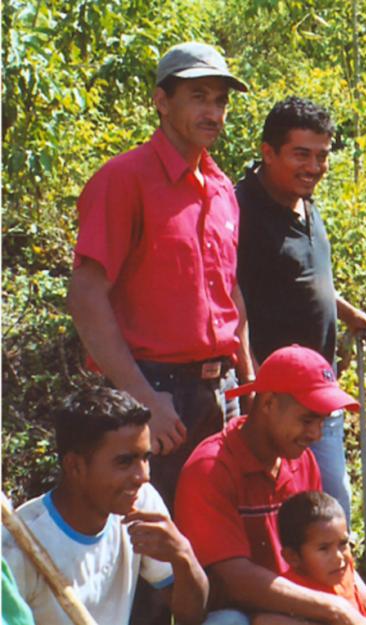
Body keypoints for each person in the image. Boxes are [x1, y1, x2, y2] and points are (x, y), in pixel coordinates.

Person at [66, 41, 254, 513]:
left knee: (211, 532)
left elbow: (229, 291)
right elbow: (87, 296)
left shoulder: (221, 188)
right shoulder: (124, 179)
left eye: (221, 100)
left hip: (220, 388)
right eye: (199, 97)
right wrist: (144, 397)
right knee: (146, 541)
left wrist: (247, 384)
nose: (213, 111)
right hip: (153, 389)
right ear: (161, 101)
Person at [235, 97, 366, 521]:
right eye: (301, 154)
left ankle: (335, 587)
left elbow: (300, 278)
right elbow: (231, 301)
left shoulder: (305, 202)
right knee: (299, 514)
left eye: (321, 156)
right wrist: (252, 382)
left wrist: (350, 314)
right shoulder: (241, 211)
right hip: (276, 402)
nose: (313, 167)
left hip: (321, 390)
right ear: (268, 152)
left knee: (330, 507)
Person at [174, 345, 366, 625]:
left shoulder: (302, 459)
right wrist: (334, 609)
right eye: (307, 419)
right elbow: (235, 581)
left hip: (298, 603)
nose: (316, 434)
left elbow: (326, 544)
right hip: (239, 611)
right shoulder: (210, 467)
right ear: (268, 403)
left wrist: (362, 601)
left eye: (321, 421)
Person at [1, 386, 209, 625]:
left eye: (145, 458)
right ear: (75, 466)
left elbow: (191, 617)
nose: (143, 476)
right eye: (124, 462)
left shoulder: (141, 502)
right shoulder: (17, 547)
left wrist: (183, 556)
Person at [253, 491, 366, 625]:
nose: (339, 557)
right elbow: (261, 620)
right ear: (292, 557)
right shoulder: (292, 589)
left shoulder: (346, 573)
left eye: (343, 543)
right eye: (324, 548)